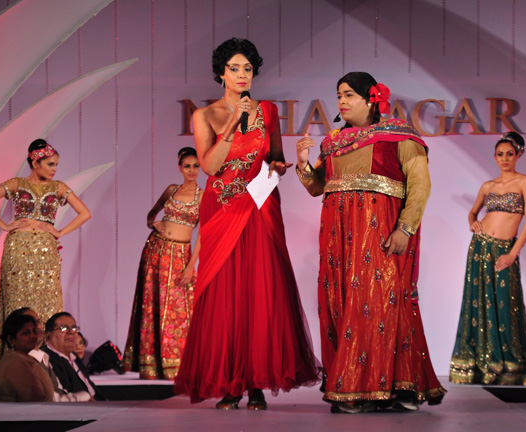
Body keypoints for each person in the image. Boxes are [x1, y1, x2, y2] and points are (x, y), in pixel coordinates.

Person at [174, 38, 319, 410]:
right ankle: (229, 384)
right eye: (234, 68)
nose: (242, 75)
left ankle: (256, 383)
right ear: (221, 73)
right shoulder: (204, 115)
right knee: (224, 294)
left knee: (261, 291)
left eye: (248, 69)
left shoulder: (268, 110)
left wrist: (281, 166)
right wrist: (232, 124)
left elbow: (275, 159)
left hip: (260, 204)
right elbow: (209, 166)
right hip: (222, 206)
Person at [296, 72, 445, 413]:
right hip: (337, 236)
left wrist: (405, 228)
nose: (342, 101)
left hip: (378, 232)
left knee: (380, 302)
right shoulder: (333, 142)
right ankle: (351, 385)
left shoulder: (399, 135)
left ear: (371, 99)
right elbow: (318, 187)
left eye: (349, 94)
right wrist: (303, 165)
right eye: (339, 95)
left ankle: (393, 386)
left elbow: (420, 184)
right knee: (340, 303)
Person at [449, 132, 526, 386]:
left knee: (506, 304)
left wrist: (512, 254)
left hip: (505, 250)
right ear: (495, 157)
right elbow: (473, 213)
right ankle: (481, 364)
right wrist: (473, 223)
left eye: (509, 154)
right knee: (478, 304)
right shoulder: (488, 186)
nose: (504, 159)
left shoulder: (524, 182)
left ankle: (510, 363)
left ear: (518, 155)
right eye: (500, 154)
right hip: (480, 248)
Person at [0, 139, 91, 365]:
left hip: (45, 252)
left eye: (56, 164)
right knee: (16, 304)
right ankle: (13, 364)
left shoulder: (58, 187)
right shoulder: (17, 184)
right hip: (17, 249)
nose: (54, 169)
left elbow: (84, 213)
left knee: (47, 302)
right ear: (35, 162)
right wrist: (5, 226)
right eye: (50, 164)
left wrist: (59, 231)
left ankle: (48, 364)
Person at [122, 147, 203, 380]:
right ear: (180, 167)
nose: (191, 170)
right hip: (155, 250)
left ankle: (179, 364)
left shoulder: (203, 196)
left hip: (180, 255)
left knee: (179, 310)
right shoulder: (171, 190)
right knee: (152, 305)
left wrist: (191, 265)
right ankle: (152, 365)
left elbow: (204, 234)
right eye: (187, 166)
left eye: (195, 166)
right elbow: (151, 215)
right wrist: (153, 223)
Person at [0, 313, 54, 402]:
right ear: (11, 339)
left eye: (34, 331)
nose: (33, 336)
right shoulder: (15, 363)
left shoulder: (27, 359)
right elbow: (35, 401)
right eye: (26, 333)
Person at [41, 312, 104, 401]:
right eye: (64, 328)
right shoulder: (46, 358)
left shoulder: (74, 356)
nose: (71, 332)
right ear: (49, 336)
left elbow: (89, 386)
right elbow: (65, 392)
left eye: (74, 328)